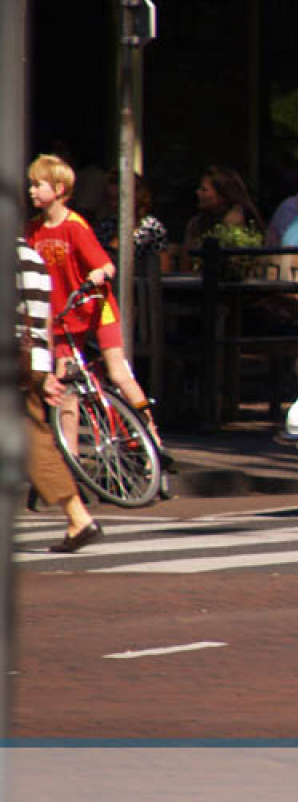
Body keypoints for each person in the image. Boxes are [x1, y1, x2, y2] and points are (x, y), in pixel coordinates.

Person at [25, 154, 170, 458]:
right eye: (32, 185)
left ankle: (151, 434)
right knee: (65, 385)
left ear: (60, 188)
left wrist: (99, 273)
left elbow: (105, 264)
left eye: (39, 185)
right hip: (62, 316)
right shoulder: (33, 230)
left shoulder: (76, 226)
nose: (32, 191)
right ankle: (71, 457)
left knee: (118, 372)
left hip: (94, 306)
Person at [17, 236, 103, 552]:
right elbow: (40, 320)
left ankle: (78, 517)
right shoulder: (28, 254)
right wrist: (42, 370)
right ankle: (77, 517)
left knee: (32, 438)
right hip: (26, 357)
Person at [181, 165, 266, 258]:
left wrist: (230, 227)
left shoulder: (247, 224)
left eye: (204, 190)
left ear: (224, 195)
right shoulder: (196, 225)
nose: (198, 192)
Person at [94, 170, 170, 268]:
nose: (114, 204)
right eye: (110, 199)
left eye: (118, 199)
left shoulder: (152, 228)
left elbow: (162, 269)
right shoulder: (104, 226)